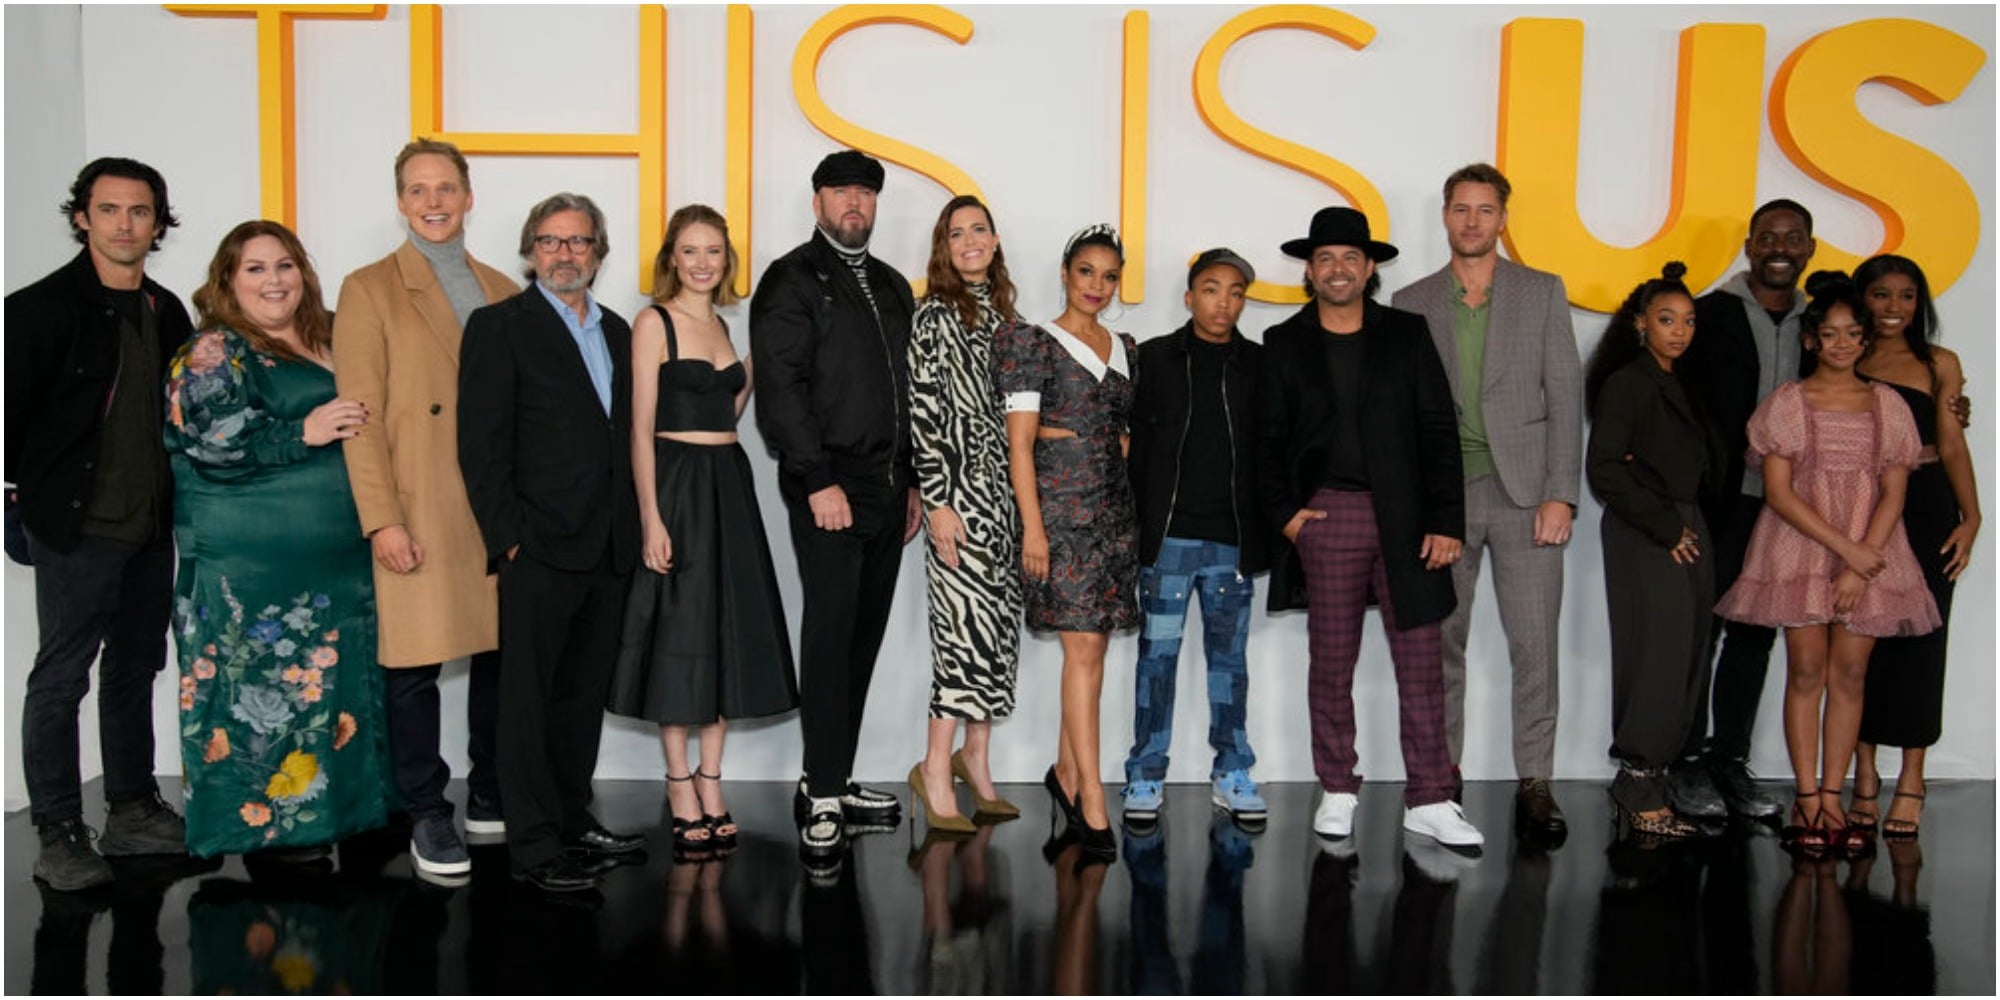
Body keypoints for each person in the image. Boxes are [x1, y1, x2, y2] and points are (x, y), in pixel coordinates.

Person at [163, 219, 394, 860]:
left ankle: (344, 815)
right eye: (255, 268)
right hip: (253, 572)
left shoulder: (331, 332)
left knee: (335, 689)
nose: (274, 280)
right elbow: (207, 439)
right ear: (228, 280)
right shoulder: (215, 349)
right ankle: (271, 830)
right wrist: (303, 432)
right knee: (261, 694)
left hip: (338, 562)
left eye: (285, 265)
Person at [1256, 206, 1481, 849]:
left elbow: (1438, 427)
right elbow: (1265, 440)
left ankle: (1431, 797)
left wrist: (1446, 519)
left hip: (1408, 521)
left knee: (1422, 665)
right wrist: (1288, 517)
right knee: (1331, 664)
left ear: (1369, 267)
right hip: (1328, 517)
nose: (1338, 268)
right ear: (1309, 270)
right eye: (1325, 258)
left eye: (1350, 258)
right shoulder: (1283, 341)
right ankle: (1337, 788)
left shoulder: (1407, 333)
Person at [5, 157, 193, 890]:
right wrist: (18, 504)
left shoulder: (165, 310)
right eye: (109, 209)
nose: (124, 224)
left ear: (157, 222)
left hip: (151, 526)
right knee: (61, 678)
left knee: (136, 667)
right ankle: (57, 832)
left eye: (139, 211)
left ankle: (132, 809)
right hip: (76, 526)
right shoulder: (36, 310)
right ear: (82, 216)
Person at [332, 138, 518, 879]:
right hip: (420, 502)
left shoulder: (503, 287)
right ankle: (426, 809)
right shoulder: (369, 288)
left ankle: (491, 789)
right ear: (400, 202)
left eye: (446, 188)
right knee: (413, 665)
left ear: (469, 197)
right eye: (418, 190)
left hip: (495, 507)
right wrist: (382, 519)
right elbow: (359, 417)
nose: (433, 202)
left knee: (500, 655)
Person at [1714, 271, 1939, 856]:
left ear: (1864, 339)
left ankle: (1835, 799)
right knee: (1807, 671)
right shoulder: (1788, 403)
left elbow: (1894, 492)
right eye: (1830, 334)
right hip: (1800, 547)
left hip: (1872, 554)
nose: (1843, 344)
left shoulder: (1887, 405)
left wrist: (1862, 564)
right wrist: (1846, 551)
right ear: (1812, 340)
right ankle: (1808, 798)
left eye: (1852, 334)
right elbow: (1779, 494)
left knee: (1850, 675)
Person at [458, 192, 644, 894]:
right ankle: (533, 844)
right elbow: (480, 446)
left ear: (598, 252)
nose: (564, 254)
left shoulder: (619, 331)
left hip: (608, 547)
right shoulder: (498, 327)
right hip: (537, 548)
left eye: (578, 241)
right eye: (550, 241)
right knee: (527, 704)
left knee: (581, 696)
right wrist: (508, 541)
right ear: (530, 251)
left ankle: (570, 819)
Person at [1390, 164, 1580, 845]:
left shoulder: (1541, 291)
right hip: (1445, 503)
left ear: (1503, 218)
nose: (1472, 221)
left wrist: (1561, 493)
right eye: (1461, 209)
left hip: (1527, 496)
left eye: (1485, 210)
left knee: (1535, 647)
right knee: (1442, 646)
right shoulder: (1411, 301)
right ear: (1445, 215)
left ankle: (1536, 781)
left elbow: (1566, 396)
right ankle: (1442, 781)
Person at [610, 204, 798, 855]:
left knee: (724, 634)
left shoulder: (721, 324)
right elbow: (639, 428)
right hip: (677, 485)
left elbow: (725, 409)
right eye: (690, 250)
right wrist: (651, 518)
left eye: (713, 251)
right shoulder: (653, 322)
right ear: (672, 257)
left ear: (726, 260)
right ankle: (677, 781)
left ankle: (711, 779)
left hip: (729, 485)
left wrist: (753, 369)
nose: (701, 262)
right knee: (679, 636)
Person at [751, 149, 917, 865]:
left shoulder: (893, 285)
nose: (854, 203)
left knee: (861, 639)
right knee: (828, 637)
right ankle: (820, 794)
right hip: (831, 487)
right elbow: (781, 387)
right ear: (817, 201)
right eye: (841, 191)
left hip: (890, 487)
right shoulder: (791, 278)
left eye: (865, 193)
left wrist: (914, 481)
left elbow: (911, 388)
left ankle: (834, 775)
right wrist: (817, 478)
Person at [994, 224, 1141, 861]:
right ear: (1064, 273)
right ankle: (1092, 799)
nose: (1097, 286)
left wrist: (1108, 446)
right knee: (1082, 650)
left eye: (1109, 276)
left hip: (1114, 517)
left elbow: (1124, 430)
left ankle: (1065, 770)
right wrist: (1033, 528)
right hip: (1059, 516)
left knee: (1093, 651)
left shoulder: (1125, 346)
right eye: (1086, 272)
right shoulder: (1032, 343)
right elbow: (1019, 445)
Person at [1676, 199, 1816, 821]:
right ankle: (1684, 759)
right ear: (1750, 246)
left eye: (1793, 237)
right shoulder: (1709, 315)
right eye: (1768, 237)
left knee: (1755, 636)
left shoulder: (1825, 322)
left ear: (1809, 248)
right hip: (1720, 503)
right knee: (1700, 632)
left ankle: (1729, 758)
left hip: (1793, 510)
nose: (1780, 247)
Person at [1120, 248, 1269, 830]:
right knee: (1156, 663)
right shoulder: (1154, 359)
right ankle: (1145, 774)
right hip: (1168, 544)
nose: (1223, 302)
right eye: (1211, 289)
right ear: (1189, 297)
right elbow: (1125, 440)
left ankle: (1232, 770)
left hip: (1231, 542)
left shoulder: (1258, 365)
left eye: (1236, 292)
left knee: (1229, 665)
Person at [1582, 262, 1716, 841]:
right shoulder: (1628, 382)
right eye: (1666, 320)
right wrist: (1667, 527)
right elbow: (1605, 469)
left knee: (1688, 653)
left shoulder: (1682, 380)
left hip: (1685, 523)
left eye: (1688, 321)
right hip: (1650, 530)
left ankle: (1652, 782)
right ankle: (1637, 785)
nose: (1679, 331)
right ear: (1640, 323)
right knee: (1657, 655)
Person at [905, 195, 1024, 832]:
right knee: (959, 635)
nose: (971, 240)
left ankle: (974, 758)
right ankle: (932, 767)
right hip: (958, 498)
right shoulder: (932, 315)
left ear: (995, 240)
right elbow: (922, 411)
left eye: (980, 229)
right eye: (958, 233)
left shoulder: (1008, 317)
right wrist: (938, 500)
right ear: (944, 247)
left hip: (1004, 500)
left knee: (996, 635)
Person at [1850, 255, 1979, 840]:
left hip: (1927, 510)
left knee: (1925, 643)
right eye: (1881, 294)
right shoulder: (1844, 354)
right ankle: (1863, 775)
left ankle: (1911, 779)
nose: (1894, 307)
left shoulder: (1938, 363)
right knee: (1858, 644)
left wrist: (1972, 517)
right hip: (1859, 508)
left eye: (1906, 296)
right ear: (1862, 298)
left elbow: (1950, 445)